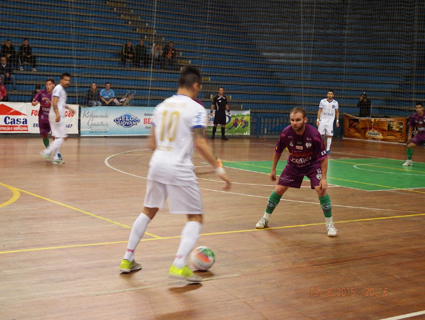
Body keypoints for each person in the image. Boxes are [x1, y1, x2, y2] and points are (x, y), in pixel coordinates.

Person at [119, 66, 231, 282]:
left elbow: (152, 142)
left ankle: (127, 258)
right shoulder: (196, 109)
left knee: (148, 211)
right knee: (196, 217)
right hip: (179, 167)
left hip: (157, 163)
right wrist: (218, 168)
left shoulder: (161, 107)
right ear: (196, 85)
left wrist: (167, 159)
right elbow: (200, 141)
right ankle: (179, 264)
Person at [255, 107, 337, 237]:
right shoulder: (285, 133)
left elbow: (323, 158)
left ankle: (330, 225)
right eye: (292, 120)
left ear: (305, 120)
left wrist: (324, 178)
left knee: (321, 190)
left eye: (298, 120)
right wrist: (273, 169)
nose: (294, 123)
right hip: (294, 164)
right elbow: (277, 151)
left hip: (312, 164)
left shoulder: (314, 135)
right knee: (279, 189)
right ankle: (265, 218)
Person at [40, 73, 74, 164]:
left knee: (57, 137)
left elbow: (60, 103)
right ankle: (47, 151)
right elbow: (54, 103)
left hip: (54, 115)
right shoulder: (58, 88)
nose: (67, 82)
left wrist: (69, 108)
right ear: (61, 80)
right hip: (57, 115)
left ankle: (55, 157)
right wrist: (57, 114)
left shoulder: (60, 89)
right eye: (65, 80)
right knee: (63, 138)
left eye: (69, 80)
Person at [32, 78, 55, 149]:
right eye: (47, 84)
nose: (48, 86)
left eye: (50, 84)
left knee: (54, 135)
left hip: (52, 117)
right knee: (44, 135)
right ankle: (48, 149)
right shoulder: (41, 93)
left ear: (53, 85)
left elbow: (56, 105)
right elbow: (33, 103)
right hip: (42, 117)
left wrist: (48, 101)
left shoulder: (56, 94)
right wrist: (35, 103)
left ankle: (57, 153)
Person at [316, 90, 339, 154]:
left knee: (329, 135)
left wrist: (337, 121)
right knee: (320, 135)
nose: (330, 95)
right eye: (329, 94)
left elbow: (337, 112)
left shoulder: (335, 103)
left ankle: (328, 149)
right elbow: (319, 110)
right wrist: (318, 120)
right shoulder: (322, 101)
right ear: (327, 94)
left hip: (330, 122)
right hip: (322, 121)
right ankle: (319, 148)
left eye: (331, 94)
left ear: (333, 95)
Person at [403, 102, 425, 167]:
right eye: (417, 108)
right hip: (420, 134)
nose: (418, 109)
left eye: (419, 108)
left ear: (423, 108)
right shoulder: (414, 116)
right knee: (409, 146)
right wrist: (409, 136)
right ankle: (409, 161)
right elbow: (411, 126)